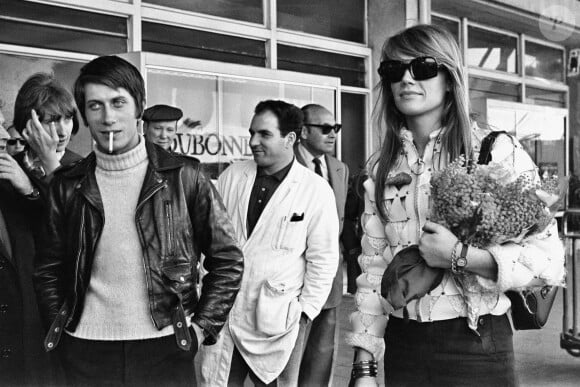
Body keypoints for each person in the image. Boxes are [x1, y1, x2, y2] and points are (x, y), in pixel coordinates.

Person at [347, 24, 566, 387]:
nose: (406, 79)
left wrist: (460, 256)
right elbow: (374, 271)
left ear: (449, 77)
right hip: (404, 347)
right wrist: (364, 365)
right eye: (393, 70)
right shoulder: (381, 168)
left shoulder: (493, 152)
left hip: (475, 346)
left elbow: (549, 262)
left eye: (422, 68)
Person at [33, 55, 244, 387]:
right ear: (85, 116)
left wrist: (201, 328)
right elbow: (48, 266)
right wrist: (62, 328)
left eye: (118, 102)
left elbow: (227, 258)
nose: (108, 117)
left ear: (139, 108)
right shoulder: (67, 185)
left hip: (165, 345)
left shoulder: (183, 176)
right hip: (84, 349)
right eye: (95, 106)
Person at [199, 100, 339, 386]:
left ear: (290, 138)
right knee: (217, 380)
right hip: (225, 312)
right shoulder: (233, 176)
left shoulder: (315, 190)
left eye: (264, 134)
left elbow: (323, 260)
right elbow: (209, 240)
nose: (253, 141)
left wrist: (304, 315)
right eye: (252, 133)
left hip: (278, 321)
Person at [0, 120, 61, 385]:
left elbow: (57, 232)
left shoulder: (12, 186)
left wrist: (31, 190)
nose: (4, 136)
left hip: (26, 354)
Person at [294, 103, 348, 386]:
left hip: (330, 276)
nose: (333, 134)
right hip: (292, 276)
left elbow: (345, 223)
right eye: (325, 128)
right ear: (303, 131)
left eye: (336, 128)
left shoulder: (339, 169)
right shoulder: (284, 163)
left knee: (322, 350)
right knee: (289, 349)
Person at [12, 73, 83, 181]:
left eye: (68, 119)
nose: (63, 132)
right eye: (52, 121)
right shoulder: (11, 166)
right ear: (30, 124)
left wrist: (31, 191)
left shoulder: (82, 168)